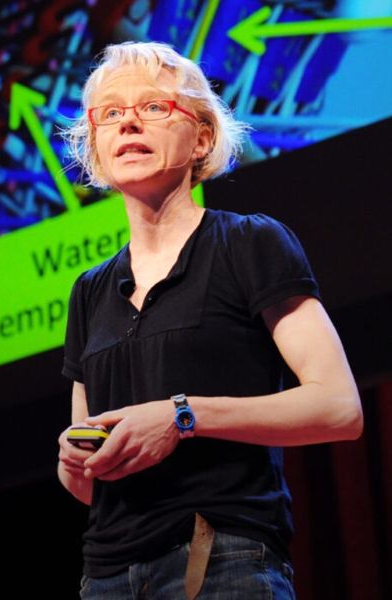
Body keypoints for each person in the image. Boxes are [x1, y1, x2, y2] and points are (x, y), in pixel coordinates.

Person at [57, 41, 363, 600]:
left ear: (201, 137)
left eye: (153, 107)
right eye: (111, 113)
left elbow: (338, 407)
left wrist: (182, 416)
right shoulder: (88, 291)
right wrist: (75, 464)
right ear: (95, 148)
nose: (129, 124)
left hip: (221, 558)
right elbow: (89, 478)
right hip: (105, 577)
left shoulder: (249, 243)